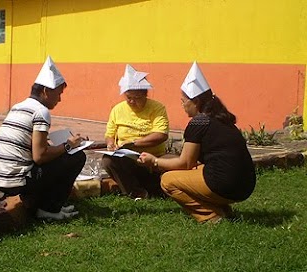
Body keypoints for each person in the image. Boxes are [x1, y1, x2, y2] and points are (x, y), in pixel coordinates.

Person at [137, 62, 256, 223]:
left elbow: (185, 162)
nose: (183, 106)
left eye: (183, 101)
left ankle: (210, 216)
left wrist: (155, 161)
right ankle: (224, 210)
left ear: (196, 102)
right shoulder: (222, 118)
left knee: (168, 180)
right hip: (246, 184)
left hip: (226, 184)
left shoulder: (198, 122)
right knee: (196, 168)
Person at [0, 56, 87, 220]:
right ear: (46, 91)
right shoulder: (41, 112)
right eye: (58, 94)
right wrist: (68, 145)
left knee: (61, 155)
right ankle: (49, 208)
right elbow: (39, 156)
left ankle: (44, 203)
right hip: (16, 181)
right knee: (76, 157)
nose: (60, 99)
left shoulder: (18, 106)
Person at [102, 64, 169, 199]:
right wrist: (110, 143)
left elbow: (161, 135)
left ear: (145, 95)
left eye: (137, 98)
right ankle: (135, 192)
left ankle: (153, 188)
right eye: (128, 98)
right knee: (108, 161)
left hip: (153, 157)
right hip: (127, 157)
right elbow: (110, 133)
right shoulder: (117, 109)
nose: (132, 101)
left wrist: (134, 143)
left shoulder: (157, 108)